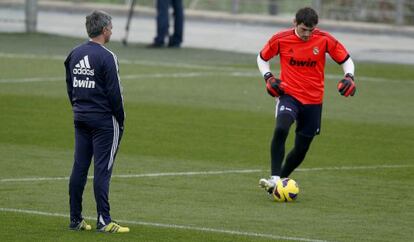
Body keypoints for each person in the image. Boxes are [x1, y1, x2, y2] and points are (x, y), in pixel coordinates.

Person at [257, 7, 356, 195]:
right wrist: (268, 77)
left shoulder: (325, 39)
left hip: (313, 100)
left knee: (301, 149)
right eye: (303, 29)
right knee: (281, 128)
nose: (307, 34)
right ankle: (275, 178)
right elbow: (262, 58)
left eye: (311, 30)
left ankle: (279, 184)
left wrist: (349, 76)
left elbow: (347, 60)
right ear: (295, 23)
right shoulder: (281, 39)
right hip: (289, 95)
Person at [64, 10, 129, 233]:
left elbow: (70, 86)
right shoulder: (107, 57)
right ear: (104, 30)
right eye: (111, 27)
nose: (112, 31)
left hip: (80, 117)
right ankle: (104, 220)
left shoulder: (74, 53)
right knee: (103, 169)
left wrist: (78, 107)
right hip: (103, 121)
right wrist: (121, 120)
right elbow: (115, 94)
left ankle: (75, 219)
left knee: (79, 168)